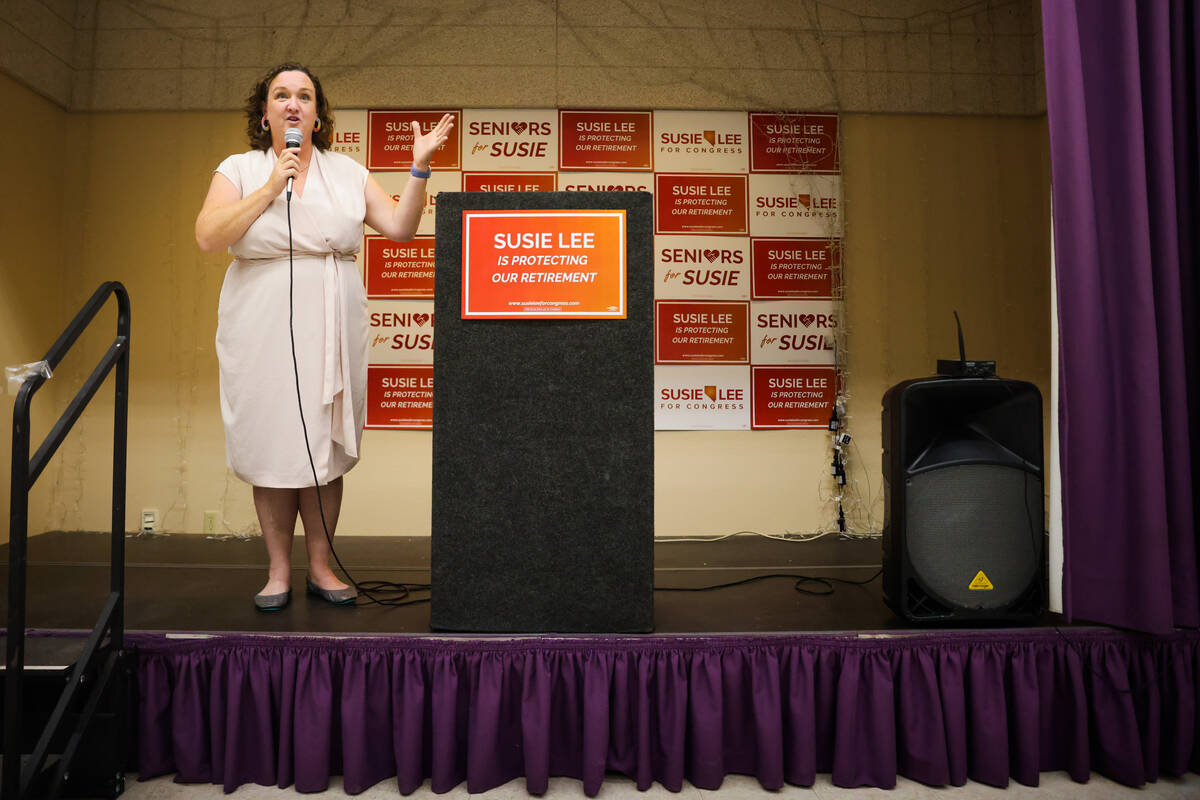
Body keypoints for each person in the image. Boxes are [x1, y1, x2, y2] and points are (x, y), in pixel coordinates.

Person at [195, 63, 452, 610]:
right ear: (264, 115)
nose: (293, 104)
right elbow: (208, 235)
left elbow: (401, 228)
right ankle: (277, 571)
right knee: (271, 442)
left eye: (304, 96)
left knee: (324, 443)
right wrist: (270, 186)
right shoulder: (240, 168)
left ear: (318, 114)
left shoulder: (348, 171)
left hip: (334, 321)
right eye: (281, 95)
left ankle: (320, 566)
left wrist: (419, 169)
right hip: (258, 322)